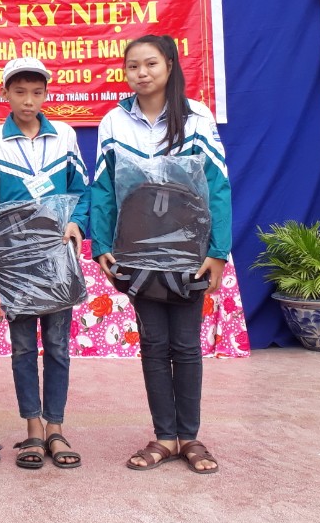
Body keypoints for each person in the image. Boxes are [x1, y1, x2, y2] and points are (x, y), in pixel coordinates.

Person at [89, 35, 231, 475]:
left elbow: (218, 186)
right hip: (135, 251)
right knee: (153, 343)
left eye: (150, 63)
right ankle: (164, 437)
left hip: (190, 250)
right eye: (133, 66)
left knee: (185, 344)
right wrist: (102, 246)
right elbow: (103, 188)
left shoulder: (197, 117)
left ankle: (190, 437)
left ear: (169, 65)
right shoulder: (113, 121)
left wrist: (218, 251)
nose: (142, 73)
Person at [0, 57, 89, 471]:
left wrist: (77, 222)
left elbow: (82, 189)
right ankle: (33, 429)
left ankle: (56, 427)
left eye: (37, 92)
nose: (28, 100)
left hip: (57, 257)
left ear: (46, 94)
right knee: (23, 347)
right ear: (4, 94)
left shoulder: (65, 136)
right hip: (14, 260)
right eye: (19, 92)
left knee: (57, 346)